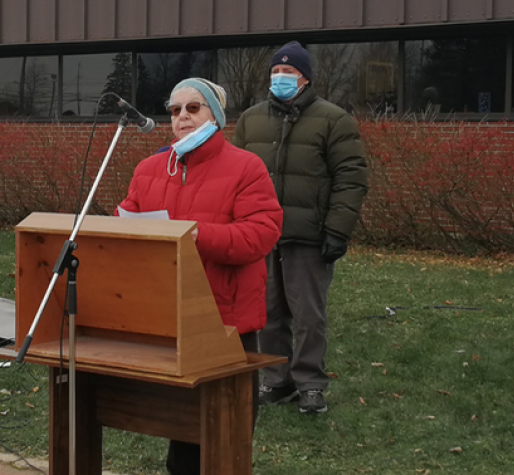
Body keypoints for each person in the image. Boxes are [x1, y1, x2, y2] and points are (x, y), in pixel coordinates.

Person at [118, 78, 282, 475]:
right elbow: (126, 224)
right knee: (184, 442)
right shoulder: (149, 168)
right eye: (175, 111)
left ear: (216, 116)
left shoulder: (247, 167)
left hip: (226, 322)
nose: (182, 118)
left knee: (226, 441)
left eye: (194, 108)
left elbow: (260, 234)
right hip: (168, 318)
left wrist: (191, 233)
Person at [232, 41, 368, 415]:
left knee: (309, 315)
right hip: (262, 236)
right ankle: (277, 380)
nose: (280, 77)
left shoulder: (334, 119)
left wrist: (337, 230)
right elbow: (236, 176)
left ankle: (310, 384)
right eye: (276, 71)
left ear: (305, 77)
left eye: (288, 72)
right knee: (269, 314)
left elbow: (351, 179)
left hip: (309, 236)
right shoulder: (250, 120)